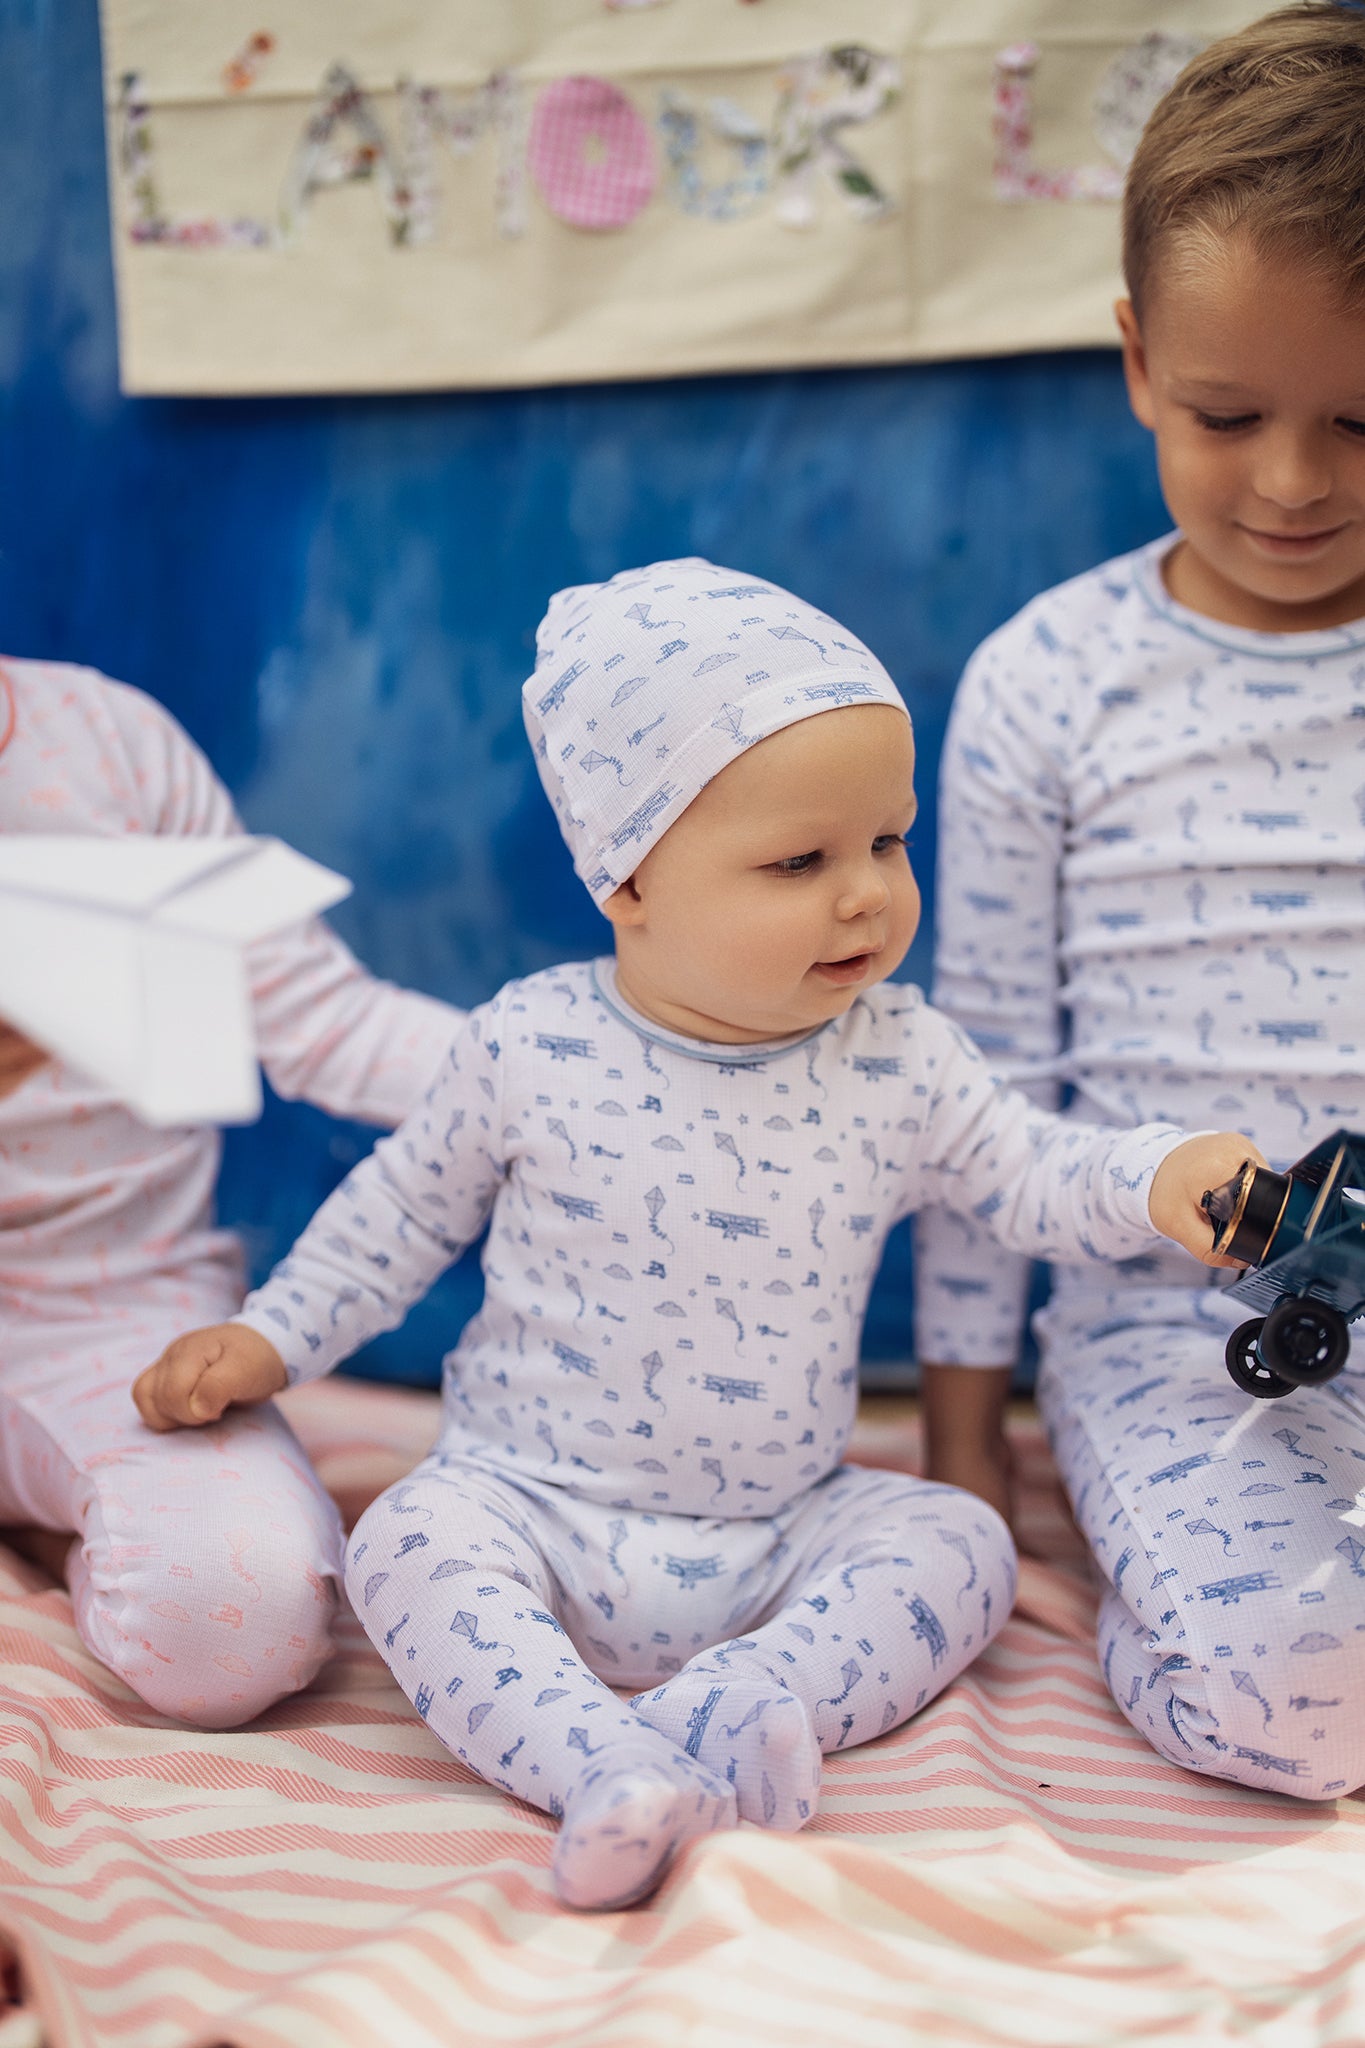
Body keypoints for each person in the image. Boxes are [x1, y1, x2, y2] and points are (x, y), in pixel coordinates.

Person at [135, 559, 1256, 1910]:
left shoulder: (896, 1057)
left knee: (960, 1547)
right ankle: (602, 1766)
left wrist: (1154, 1181)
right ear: (626, 883)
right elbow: (392, 1220)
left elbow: (1031, 1171)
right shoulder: (529, 1046)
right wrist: (269, 1336)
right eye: (802, 860)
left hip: (781, 1533)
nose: (865, 895)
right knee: (405, 1544)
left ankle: (748, 1698)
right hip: (530, 1507)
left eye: (889, 843)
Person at [915, 3, 1365, 1799]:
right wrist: (967, 1447)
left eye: (1364, 417)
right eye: (1226, 411)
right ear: (1132, 360)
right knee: (1295, 1698)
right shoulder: (1046, 682)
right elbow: (986, 1080)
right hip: (1172, 1326)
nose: (1294, 480)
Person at [0, 657, 461, 1727]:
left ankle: (77, 1497)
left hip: (112, 1314)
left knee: (235, 1618)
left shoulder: (107, 740)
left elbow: (325, 1021)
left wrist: (593, 1063)